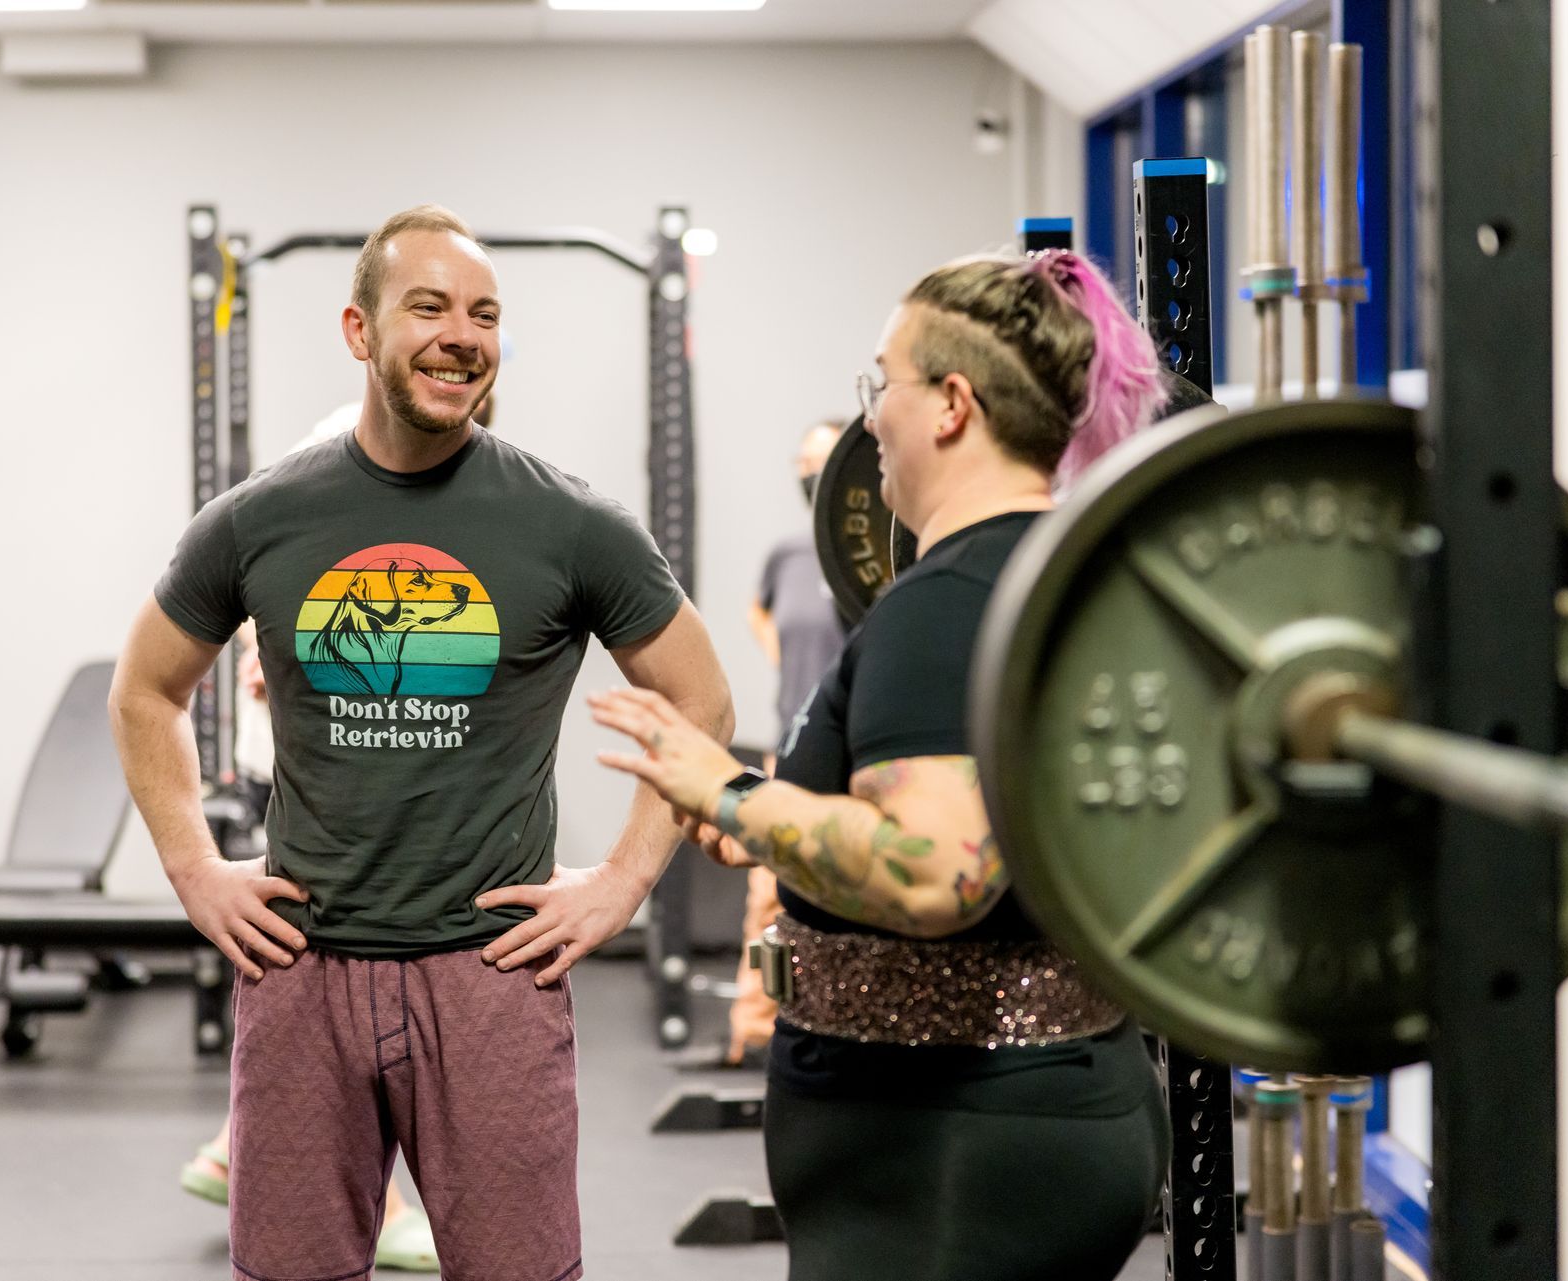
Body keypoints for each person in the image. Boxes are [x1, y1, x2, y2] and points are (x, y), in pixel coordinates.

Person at [111, 204, 732, 1281]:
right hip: (302, 968)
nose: (463, 334)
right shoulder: (259, 521)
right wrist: (192, 869)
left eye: (485, 313)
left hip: (490, 972)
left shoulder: (571, 524)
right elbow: (143, 692)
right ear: (361, 332)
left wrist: (624, 881)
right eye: (430, 307)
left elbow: (703, 702)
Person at [590, 248, 1171, 1281]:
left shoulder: (945, 603)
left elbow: (937, 868)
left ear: (951, 404)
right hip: (1036, 1111)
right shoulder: (1065, 578)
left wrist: (725, 786)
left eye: (882, 386)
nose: (871, 424)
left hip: (950, 1148)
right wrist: (779, 819)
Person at [175, 383, 498, 1273]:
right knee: (327, 996)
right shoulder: (341, 465)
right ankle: (361, 1192)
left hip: (344, 784)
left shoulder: (485, 493)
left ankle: (232, 1146)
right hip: (304, 785)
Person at [719, 419, 848, 1067]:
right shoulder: (788, 553)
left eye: (820, 460)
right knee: (768, 892)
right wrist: (786, 664)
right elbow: (758, 610)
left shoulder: (867, 556)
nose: (808, 472)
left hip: (853, 752)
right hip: (788, 746)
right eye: (801, 460)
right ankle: (753, 1027)